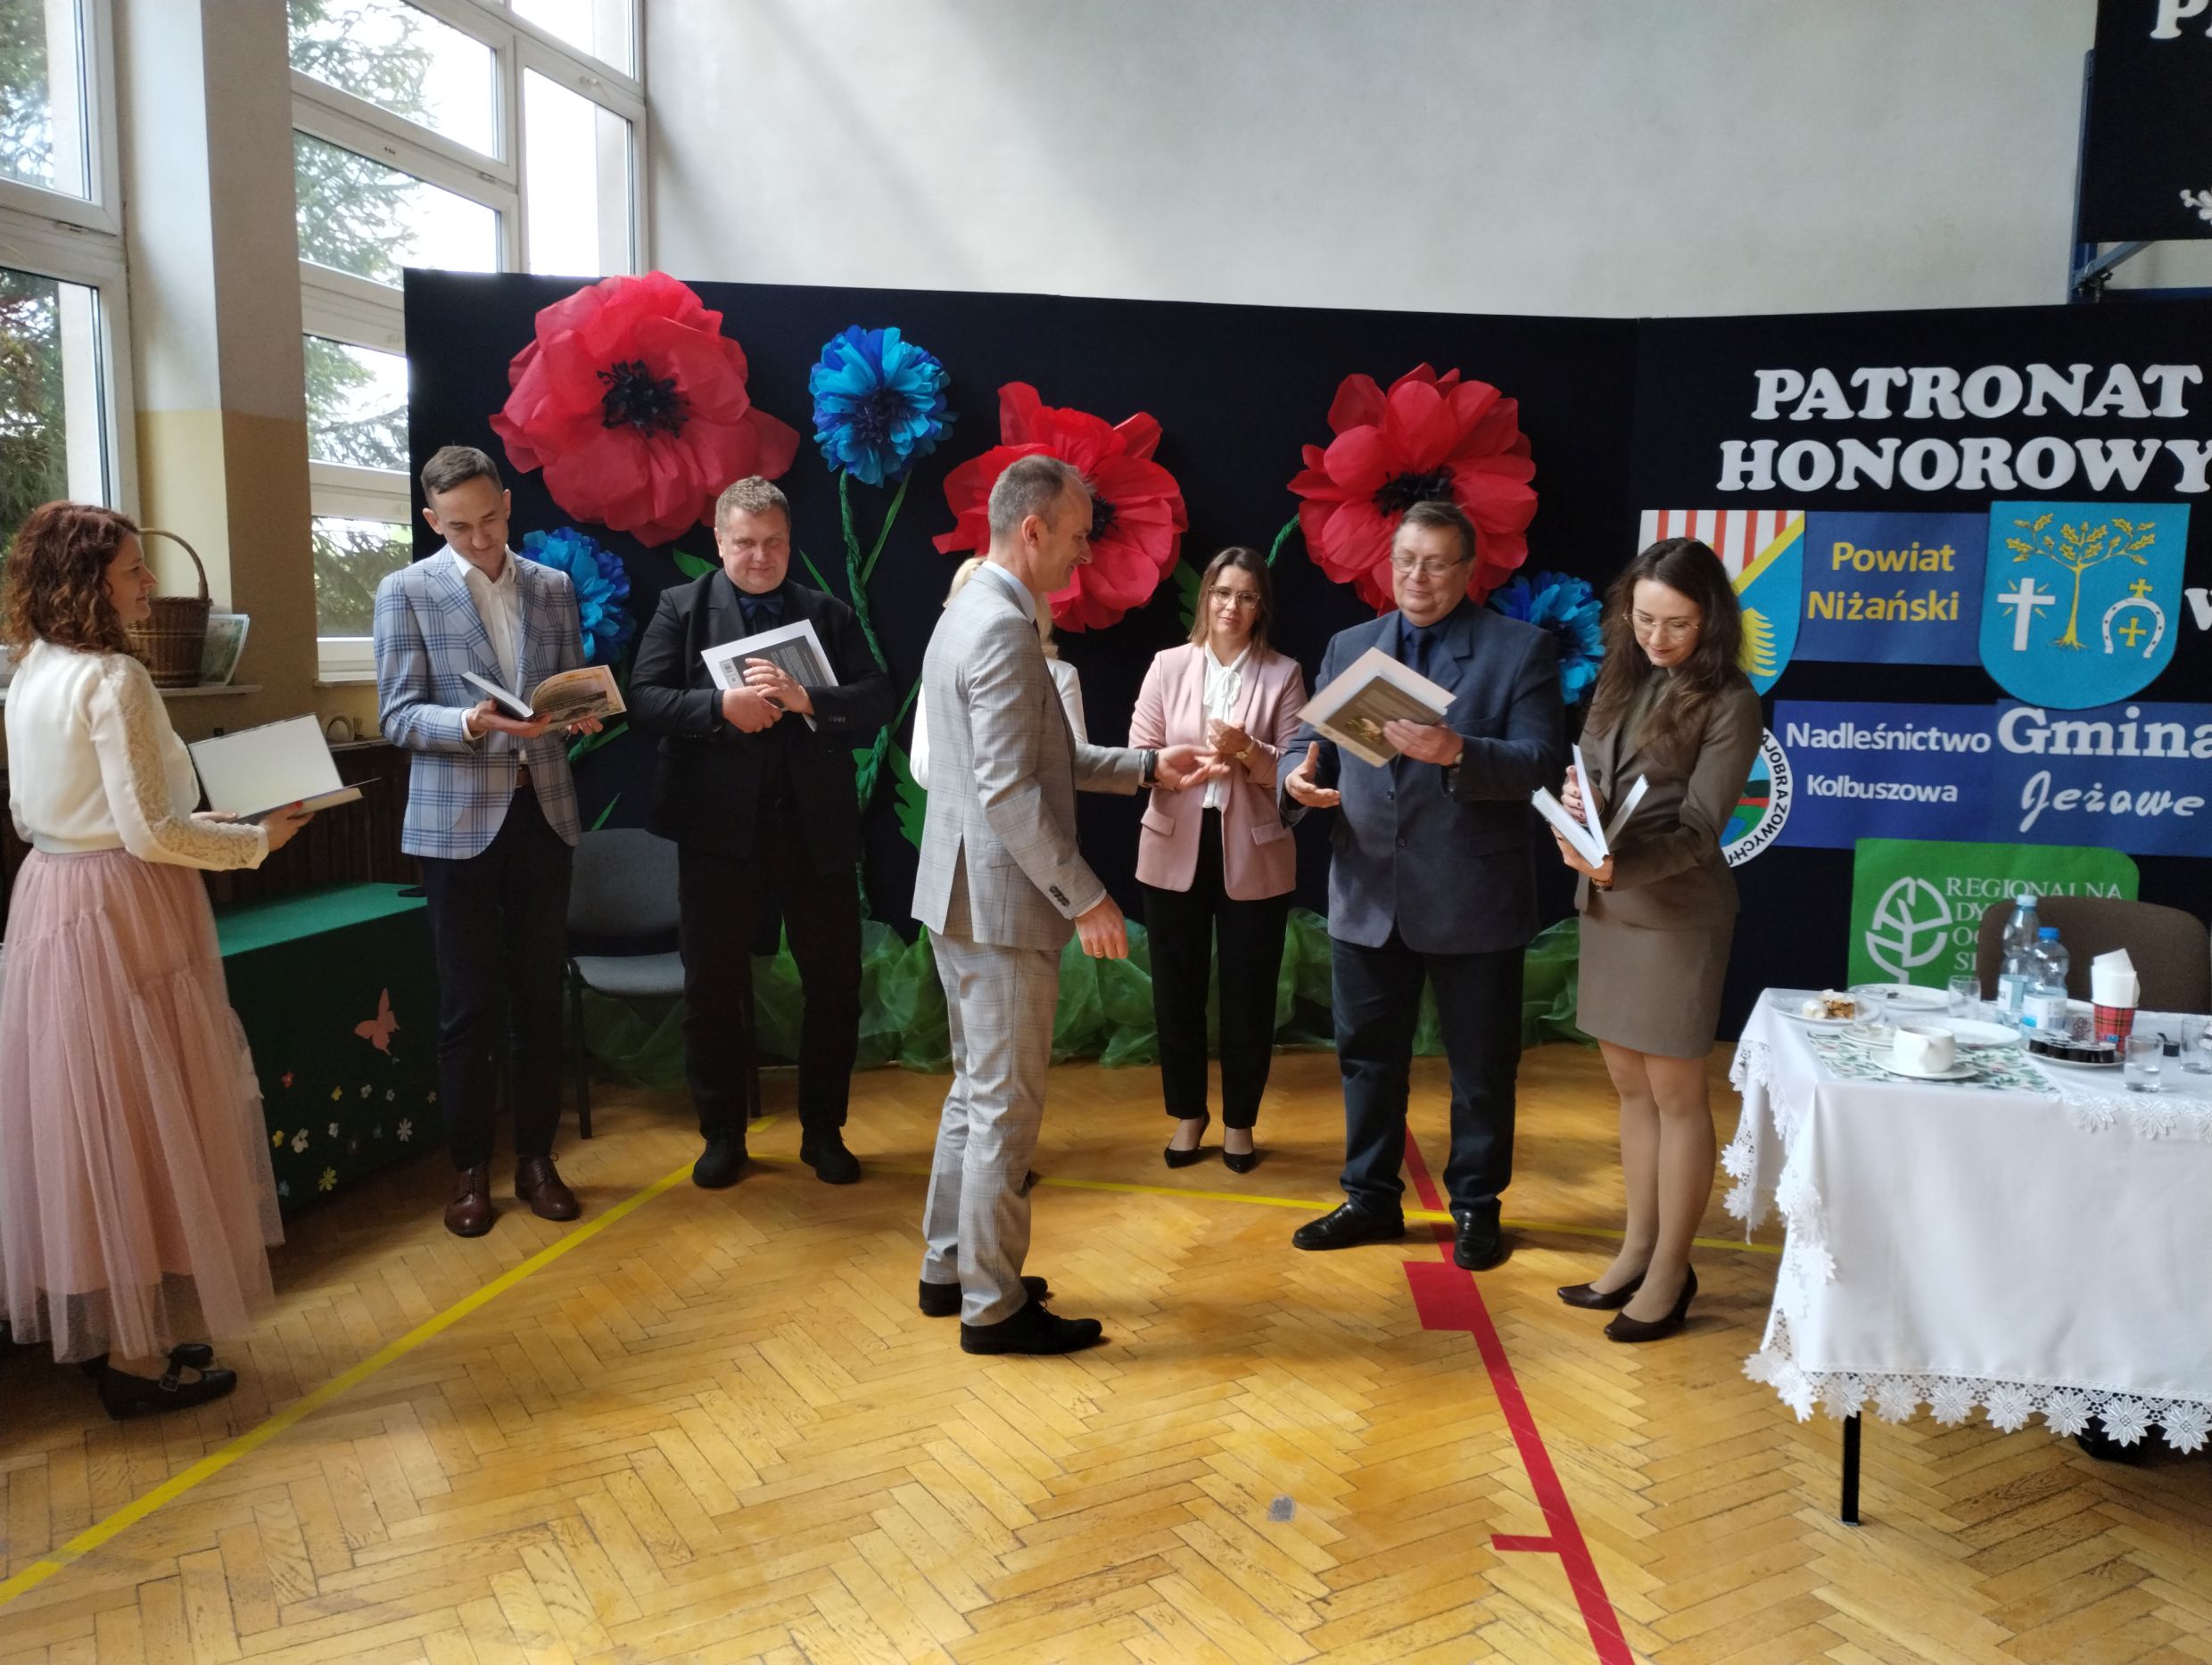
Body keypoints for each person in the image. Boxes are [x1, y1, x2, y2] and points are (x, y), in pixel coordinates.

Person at [0, 503, 313, 1417]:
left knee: (89, 1115)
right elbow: (144, 833)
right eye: (134, 569)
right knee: (140, 1114)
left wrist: (196, 823)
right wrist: (255, 841)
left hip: (52, 894)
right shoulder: (115, 676)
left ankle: (121, 1329)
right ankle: (134, 1358)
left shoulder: (30, 667)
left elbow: (49, 812)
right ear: (87, 581)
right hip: (125, 907)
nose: (148, 583)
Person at [911, 455, 1220, 1355]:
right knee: (1005, 1109)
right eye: (1079, 537)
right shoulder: (1003, 629)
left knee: (975, 1095)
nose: (1086, 555)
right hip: (1000, 906)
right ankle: (993, 1306)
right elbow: (1010, 793)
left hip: (959, 894)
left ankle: (949, 1268)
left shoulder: (969, 609)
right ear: (1033, 529)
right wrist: (1086, 898)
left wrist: (1148, 767)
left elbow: (1041, 758)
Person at [1282, 499, 1565, 1271]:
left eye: (1437, 563)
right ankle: (1370, 1197)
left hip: (1474, 898)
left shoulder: (1519, 649)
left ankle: (1476, 1204)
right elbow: (1307, 741)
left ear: (1469, 570)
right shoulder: (1350, 645)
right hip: (1367, 891)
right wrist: (1295, 778)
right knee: (1366, 1059)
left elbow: (1542, 763)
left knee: (1481, 1069)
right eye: (1406, 560)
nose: (1417, 577)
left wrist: (1458, 751)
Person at [629, 475, 893, 1188]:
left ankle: (823, 1132)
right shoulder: (680, 608)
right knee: (711, 991)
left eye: (773, 541)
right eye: (744, 542)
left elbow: (878, 697)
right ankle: (722, 1135)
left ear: (789, 539)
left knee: (834, 988)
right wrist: (720, 708)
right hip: (717, 837)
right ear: (719, 541)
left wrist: (810, 700)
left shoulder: (828, 612)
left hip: (815, 833)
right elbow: (643, 699)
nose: (760, 555)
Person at [374, 445, 599, 1238]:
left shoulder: (552, 585)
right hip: (454, 825)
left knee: (539, 998)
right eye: (459, 526)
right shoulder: (405, 590)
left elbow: (568, 685)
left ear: (507, 502)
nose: (479, 538)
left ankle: (537, 1159)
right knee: (467, 1005)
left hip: (544, 813)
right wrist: (469, 721)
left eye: (490, 519)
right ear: (432, 520)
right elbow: (397, 715)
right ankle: (470, 1170)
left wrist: (580, 710)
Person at [1549, 537, 1762, 1342]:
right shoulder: (1620, 675)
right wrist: (1581, 799)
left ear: (1711, 620)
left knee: (1676, 1095)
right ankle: (1636, 1249)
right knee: (1630, 1089)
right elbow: (1600, 775)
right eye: (1643, 619)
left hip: (1675, 914)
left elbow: (1702, 830)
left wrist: (1618, 864)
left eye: (1677, 624)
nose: (1657, 637)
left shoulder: (1730, 699)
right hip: (1608, 902)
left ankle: (1673, 1268)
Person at [1128, 546, 1306, 1173]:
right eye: (1223, 593)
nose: (1232, 606)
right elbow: (1139, 754)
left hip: (1255, 855)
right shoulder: (1167, 664)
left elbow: (1295, 770)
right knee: (1176, 992)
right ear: (1205, 598)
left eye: (1247, 596)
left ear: (1261, 608)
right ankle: (1188, 1115)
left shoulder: (1284, 673)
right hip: (1172, 845)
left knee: (1249, 996)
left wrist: (1248, 749)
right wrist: (1177, 766)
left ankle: (1239, 1122)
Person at [909, 556, 1085, 788]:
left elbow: (1074, 763)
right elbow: (924, 769)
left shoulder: (1059, 675)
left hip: (1035, 811)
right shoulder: (942, 674)